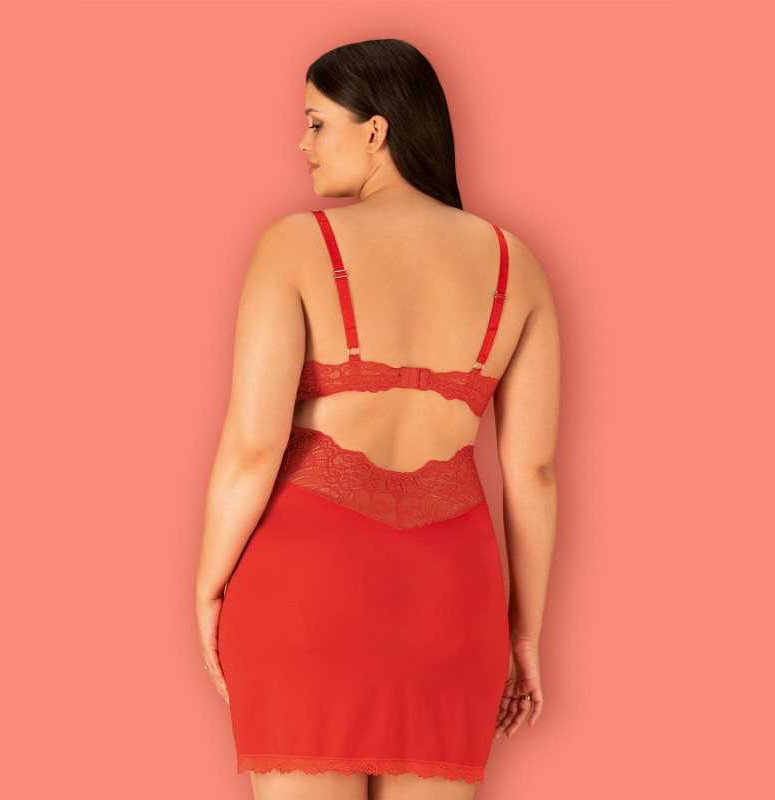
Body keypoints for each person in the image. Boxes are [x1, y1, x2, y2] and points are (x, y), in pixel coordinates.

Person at [195, 38, 559, 800]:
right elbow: (532, 471)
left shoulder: (294, 246)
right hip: (451, 607)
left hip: (303, 594)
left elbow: (253, 447)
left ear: (376, 131)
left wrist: (207, 585)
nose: (303, 145)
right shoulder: (517, 266)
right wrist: (524, 631)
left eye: (316, 123)